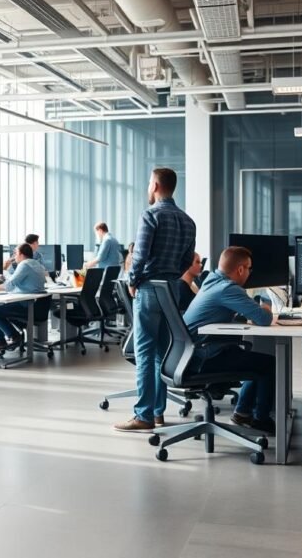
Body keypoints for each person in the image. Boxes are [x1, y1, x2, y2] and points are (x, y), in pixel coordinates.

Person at [115, 167, 196, 433]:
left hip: (149, 288)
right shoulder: (187, 220)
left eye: (149, 182)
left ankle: (143, 414)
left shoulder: (150, 215)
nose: (148, 186)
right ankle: (158, 412)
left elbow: (140, 255)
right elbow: (187, 260)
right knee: (162, 350)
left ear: (156, 185)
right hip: (171, 289)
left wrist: (132, 280)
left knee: (144, 352)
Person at [184, 247, 277, 433]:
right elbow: (264, 319)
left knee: (252, 359)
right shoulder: (228, 288)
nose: (250, 273)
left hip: (187, 354)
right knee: (271, 363)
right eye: (249, 268)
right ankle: (260, 419)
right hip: (202, 357)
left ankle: (243, 413)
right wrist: (267, 305)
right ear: (240, 269)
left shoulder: (211, 280)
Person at [0, 243, 47, 351]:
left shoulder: (24, 264)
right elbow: (15, 282)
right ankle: (1, 341)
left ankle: (14, 336)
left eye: (15, 253)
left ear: (21, 254)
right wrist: (6, 271)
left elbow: (9, 286)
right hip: (35, 305)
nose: (14, 256)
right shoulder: (36, 264)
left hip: (26, 305)